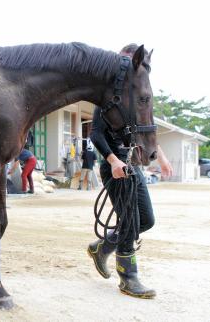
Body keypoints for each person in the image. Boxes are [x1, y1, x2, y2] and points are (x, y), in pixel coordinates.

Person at [87, 44, 173, 299]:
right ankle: (128, 277)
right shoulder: (108, 95)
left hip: (132, 165)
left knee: (146, 220)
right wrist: (113, 161)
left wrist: (161, 158)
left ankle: (102, 247)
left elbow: (145, 128)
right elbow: (95, 133)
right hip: (114, 166)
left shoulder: (134, 98)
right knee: (131, 221)